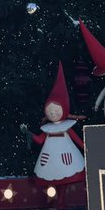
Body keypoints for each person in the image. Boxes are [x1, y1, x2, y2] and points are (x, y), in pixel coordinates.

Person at [22, 64, 85, 194]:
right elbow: (40, 140)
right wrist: (28, 133)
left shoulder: (66, 127)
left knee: (69, 175)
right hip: (50, 159)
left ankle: (64, 199)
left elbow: (77, 140)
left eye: (56, 110)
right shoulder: (48, 129)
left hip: (67, 158)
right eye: (50, 110)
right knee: (53, 180)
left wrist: (87, 148)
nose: (53, 113)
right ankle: (58, 200)